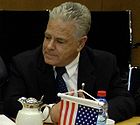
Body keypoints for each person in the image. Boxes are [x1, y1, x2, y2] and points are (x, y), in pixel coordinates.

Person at [4, 1, 135, 123]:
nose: (49, 46)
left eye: (60, 41)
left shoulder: (104, 63)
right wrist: (48, 113)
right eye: (47, 37)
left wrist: (88, 112)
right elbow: (10, 104)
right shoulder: (24, 64)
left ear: (80, 43)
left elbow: (126, 102)